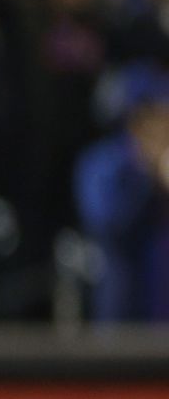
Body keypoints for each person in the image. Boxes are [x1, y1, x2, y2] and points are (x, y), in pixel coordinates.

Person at [75, 63, 169, 322]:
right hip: (122, 311)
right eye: (156, 115)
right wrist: (146, 177)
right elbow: (105, 221)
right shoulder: (102, 162)